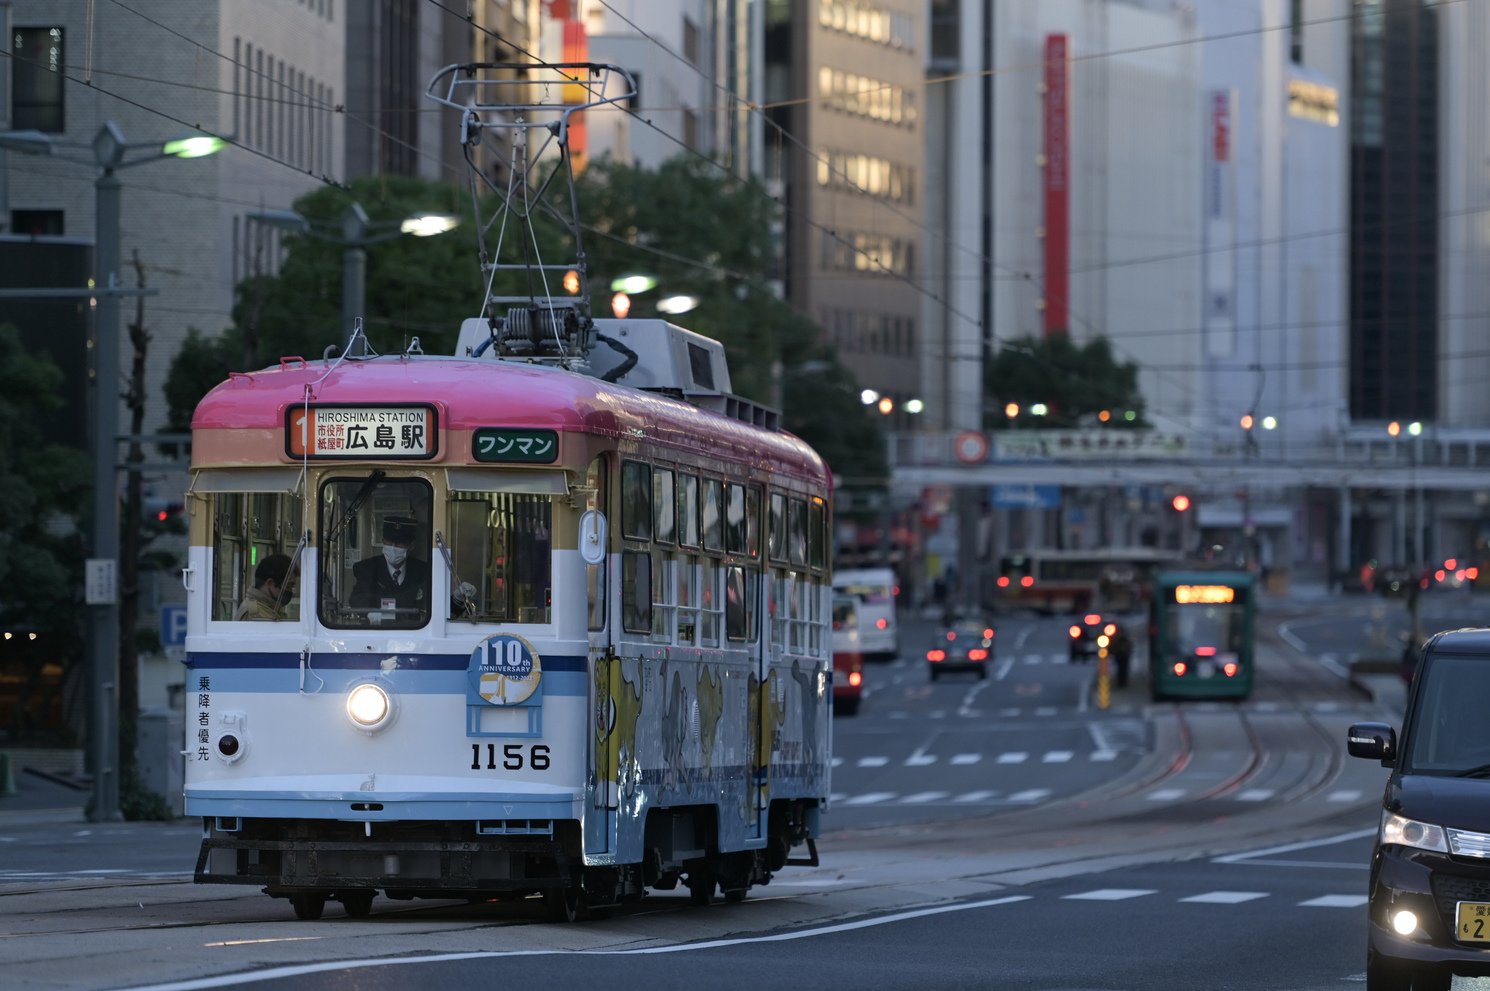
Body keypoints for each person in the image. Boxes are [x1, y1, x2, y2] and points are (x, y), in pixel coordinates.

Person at [351, 516, 433, 623]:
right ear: (383, 541)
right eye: (389, 542)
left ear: (411, 546)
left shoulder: (424, 571)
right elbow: (358, 600)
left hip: (414, 633)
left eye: (399, 543)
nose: (393, 547)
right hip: (378, 633)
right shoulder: (366, 568)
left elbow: (433, 604)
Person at [234, 553, 296, 621]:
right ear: (270, 583)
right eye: (288, 586)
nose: (291, 590)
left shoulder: (270, 609)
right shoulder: (256, 614)